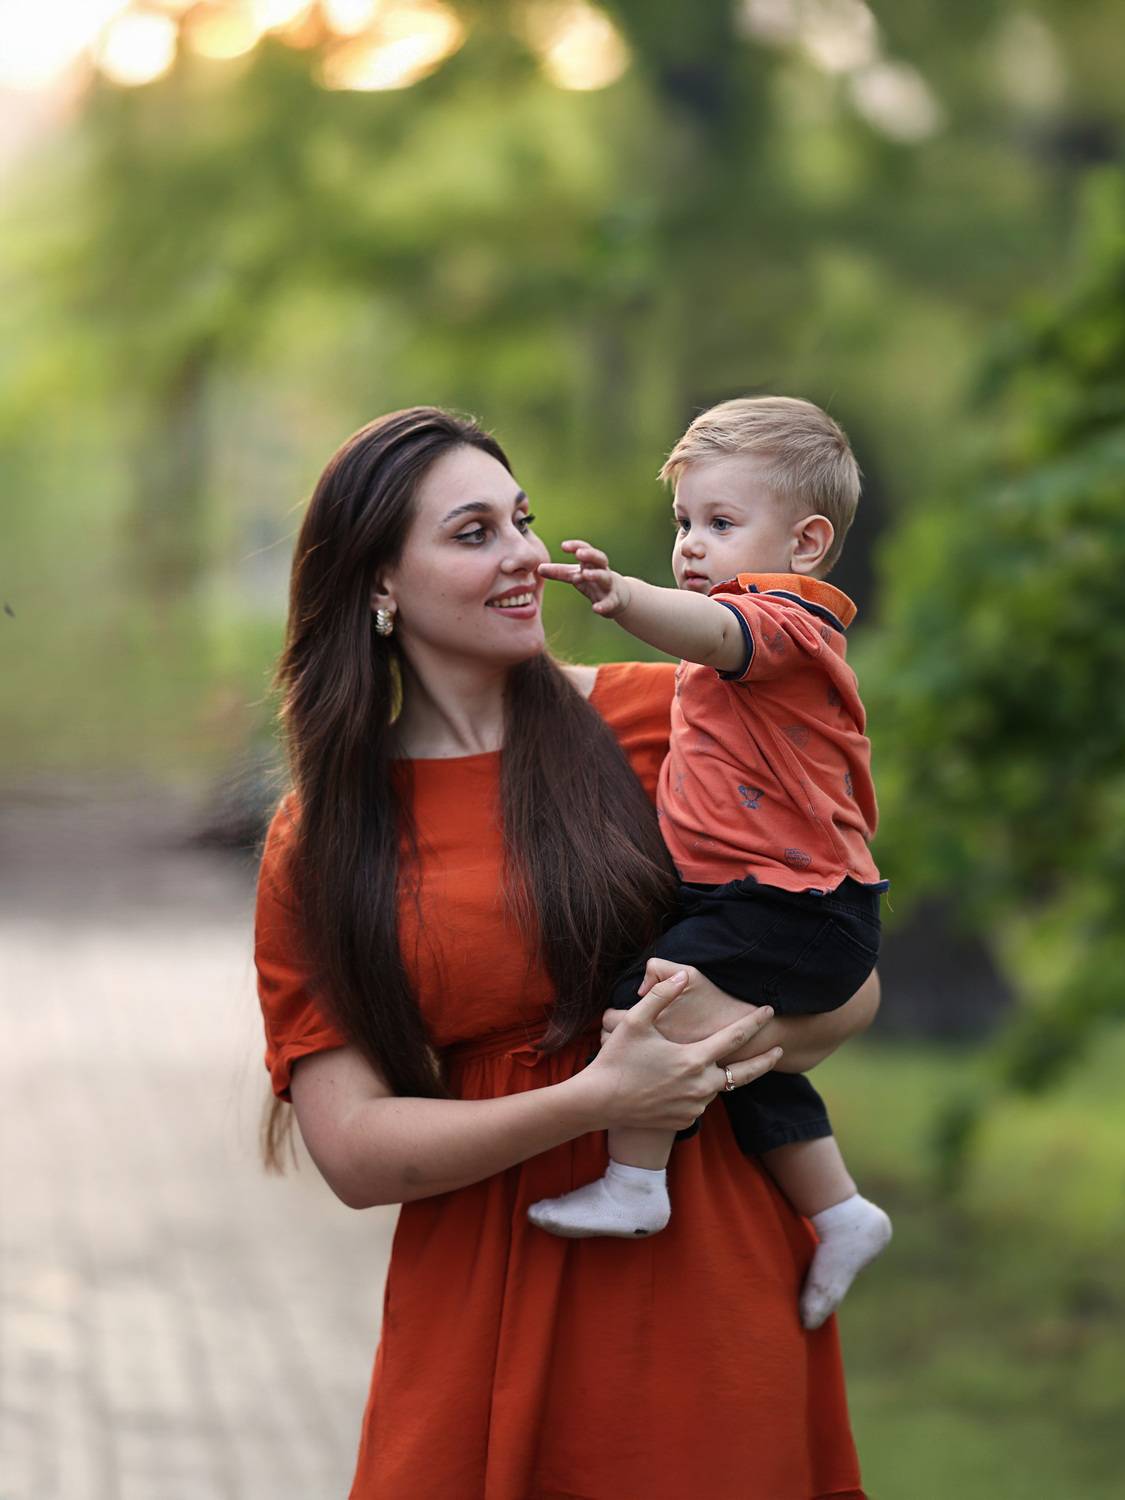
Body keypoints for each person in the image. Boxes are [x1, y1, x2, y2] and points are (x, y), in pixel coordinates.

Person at [255, 406, 879, 1499]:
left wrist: (686, 1061)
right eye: (474, 533)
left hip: (707, 1281)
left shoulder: (680, 714)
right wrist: (595, 1099)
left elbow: (848, 984)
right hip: (482, 1295)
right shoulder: (325, 835)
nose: (524, 555)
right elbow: (350, 1151)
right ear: (378, 583)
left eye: (523, 520)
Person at [527, 397, 892, 1330]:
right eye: (683, 521)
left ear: (806, 544)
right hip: (768, 902)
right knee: (740, 1064)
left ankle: (635, 1182)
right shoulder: (735, 658)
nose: (691, 544)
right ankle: (839, 1210)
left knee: (648, 1003)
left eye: (720, 523)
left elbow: (711, 630)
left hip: (794, 905)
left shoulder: (787, 626)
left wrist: (625, 597)